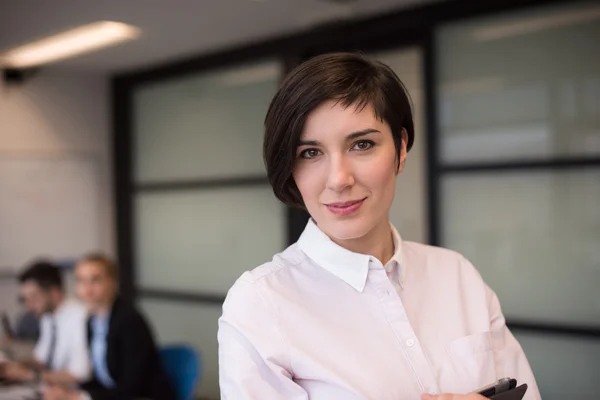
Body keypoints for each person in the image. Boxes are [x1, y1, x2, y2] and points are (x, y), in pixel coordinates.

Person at [218, 52, 541, 400]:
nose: (339, 179)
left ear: (401, 148)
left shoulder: (458, 275)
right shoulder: (261, 304)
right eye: (310, 153)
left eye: (362, 144)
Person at [44, 254, 177, 400]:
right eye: (81, 281)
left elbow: (131, 387)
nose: (87, 289)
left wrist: (81, 397)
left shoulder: (129, 321)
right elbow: (104, 379)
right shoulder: (92, 321)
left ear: (113, 282)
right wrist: (71, 391)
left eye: (95, 280)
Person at [0, 261, 90, 385]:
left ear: (54, 292)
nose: (29, 306)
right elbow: (40, 359)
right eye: (25, 299)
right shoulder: (48, 316)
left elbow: (80, 374)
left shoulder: (79, 317)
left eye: (34, 297)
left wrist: (29, 375)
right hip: (52, 389)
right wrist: (11, 367)